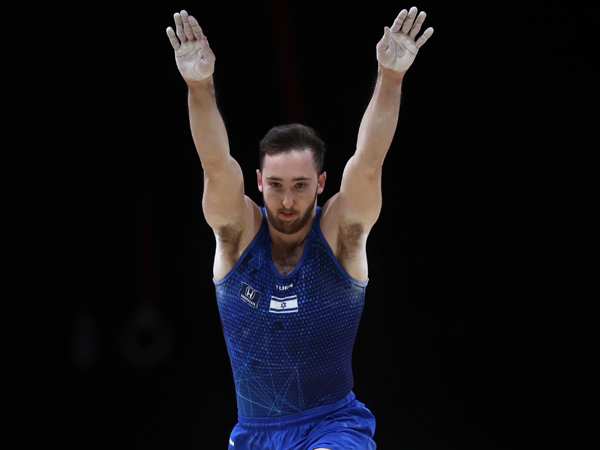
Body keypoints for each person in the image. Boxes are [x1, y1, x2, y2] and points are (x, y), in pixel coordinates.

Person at [166, 6, 433, 450]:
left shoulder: (341, 236)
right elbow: (214, 164)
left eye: (300, 186)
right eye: (275, 185)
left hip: (333, 427)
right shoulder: (236, 237)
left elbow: (368, 164)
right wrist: (198, 85)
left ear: (321, 184)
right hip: (253, 436)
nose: (287, 201)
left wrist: (390, 78)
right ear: (258, 182)